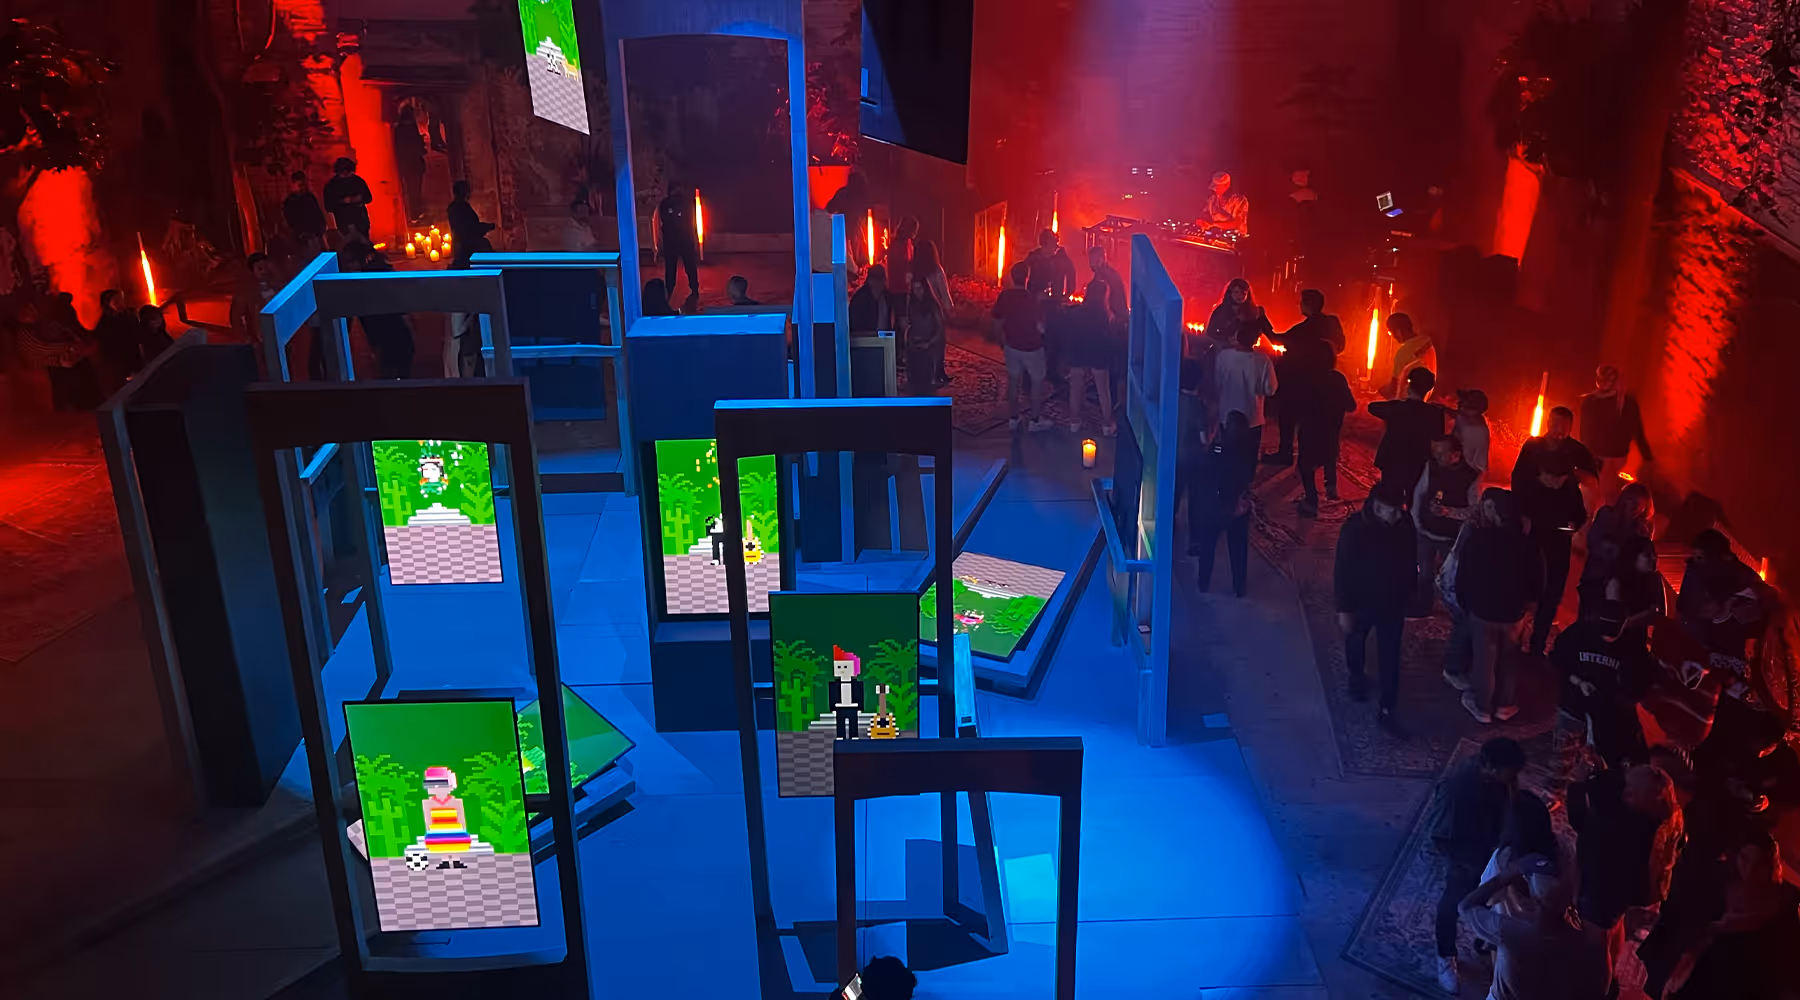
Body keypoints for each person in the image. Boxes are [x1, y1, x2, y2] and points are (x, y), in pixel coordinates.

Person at [1426, 737, 1528, 994]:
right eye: (1510, 772)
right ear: (1491, 767)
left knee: (1493, 897)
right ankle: (1445, 955)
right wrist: (1465, 864)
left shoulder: (1499, 778)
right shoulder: (1457, 791)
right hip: (1465, 855)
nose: (1513, 778)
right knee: (1452, 904)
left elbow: (1509, 799)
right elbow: (1439, 835)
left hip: (1489, 847)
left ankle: (1484, 939)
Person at [1569, 764, 1683, 970]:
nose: (1624, 791)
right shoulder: (1666, 814)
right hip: (1626, 890)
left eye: (1631, 789)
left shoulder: (1628, 828)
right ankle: (1610, 971)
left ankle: (1600, 983)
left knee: (1596, 944)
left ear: (1647, 796)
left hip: (1604, 889)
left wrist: (1578, 785)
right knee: (1613, 926)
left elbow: (1580, 822)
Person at [1456, 856, 1613, 1000]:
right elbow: (1599, 990)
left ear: (1535, 899)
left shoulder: (1512, 934)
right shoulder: (1582, 941)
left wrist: (1508, 873)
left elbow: (1465, 907)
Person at [1668, 834, 1800, 1000]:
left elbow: (1787, 971)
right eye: (1745, 859)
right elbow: (1689, 930)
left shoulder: (1781, 909)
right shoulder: (1720, 885)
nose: (1749, 869)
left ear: (1769, 867)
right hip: (1702, 981)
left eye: (1758, 864)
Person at [1333, 480, 1418, 735]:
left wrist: (1410, 591)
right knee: (1356, 640)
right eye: (1392, 510)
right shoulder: (1355, 529)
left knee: (1390, 654)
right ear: (1377, 507)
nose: (1398, 515)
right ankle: (1356, 677)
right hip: (1361, 602)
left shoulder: (1404, 524)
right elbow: (1342, 570)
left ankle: (1388, 706)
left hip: (1393, 602)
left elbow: (1410, 558)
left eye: (1399, 509)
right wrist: (1344, 609)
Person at [1450, 488, 1539, 722]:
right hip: (1513, 613)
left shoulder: (1480, 539)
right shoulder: (1529, 544)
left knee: (1484, 660)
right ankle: (1505, 705)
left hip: (1483, 610)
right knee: (1510, 658)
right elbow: (1538, 579)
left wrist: (1465, 602)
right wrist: (1529, 607)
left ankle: (1483, 707)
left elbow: (1464, 574)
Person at [1551, 599, 1657, 790]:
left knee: (1606, 757)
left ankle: (1600, 791)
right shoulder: (1578, 634)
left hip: (1608, 711)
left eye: (1613, 633)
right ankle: (1557, 787)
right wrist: (1578, 682)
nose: (1608, 638)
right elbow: (1558, 661)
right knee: (1564, 751)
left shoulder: (1631, 644)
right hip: (1573, 704)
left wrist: (1622, 695)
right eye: (1604, 632)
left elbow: (1642, 679)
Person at [1518, 452, 1590, 656]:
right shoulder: (1531, 488)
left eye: (1557, 478)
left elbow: (1579, 517)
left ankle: (1537, 645)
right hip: (1533, 547)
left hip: (1558, 547)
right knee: (1526, 595)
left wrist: (1568, 528)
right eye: (1547, 477)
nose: (1551, 482)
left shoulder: (1570, 490)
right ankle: (1515, 640)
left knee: (1550, 597)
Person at [1264, 288, 1345, 465]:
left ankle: (1285, 454)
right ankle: (1311, 456)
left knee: (1288, 416)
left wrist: (1262, 321)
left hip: (1298, 380)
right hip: (1322, 379)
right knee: (1312, 420)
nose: (1299, 305)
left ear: (1308, 305)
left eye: (1301, 302)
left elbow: (1277, 339)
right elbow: (1341, 345)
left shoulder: (1306, 328)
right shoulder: (1331, 323)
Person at [1676, 527, 1771, 662]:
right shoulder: (1695, 572)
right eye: (1695, 556)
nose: (1696, 561)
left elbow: (1755, 617)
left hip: (1729, 651)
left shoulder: (1740, 578)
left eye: (1700, 557)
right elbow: (1684, 607)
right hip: (1700, 647)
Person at [1412, 435, 1482, 614]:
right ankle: (1423, 606)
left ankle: (1454, 610)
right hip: (1426, 530)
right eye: (1435, 451)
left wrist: (1449, 512)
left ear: (1455, 454)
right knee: (1424, 574)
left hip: (1450, 537)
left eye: (1441, 452)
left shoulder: (1471, 476)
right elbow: (1419, 493)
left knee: (1449, 578)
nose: (1436, 455)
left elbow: (1474, 510)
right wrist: (1416, 521)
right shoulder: (1431, 466)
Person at [1191, 411, 1257, 597]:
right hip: (1237, 507)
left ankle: (1203, 583)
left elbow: (1206, 474)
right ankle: (1239, 587)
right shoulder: (1247, 454)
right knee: (1238, 549)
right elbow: (1247, 479)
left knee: (1208, 545)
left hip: (1216, 505)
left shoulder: (1219, 451)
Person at [1295, 339, 1355, 516]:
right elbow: (1351, 405)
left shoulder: (1305, 379)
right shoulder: (1338, 379)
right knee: (1329, 456)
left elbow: (1297, 406)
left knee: (1306, 466)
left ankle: (1311, 501)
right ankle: (1331, 488)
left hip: (1310, 430)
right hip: (1331, 430)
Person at [1578, 480, 1655, 614]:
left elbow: (1645, 559)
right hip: (1598, 580)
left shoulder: (1642, 527)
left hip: (1626, 586)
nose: (1634, 508)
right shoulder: (1607, 515)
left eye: (1639, 505)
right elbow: (1595, 543)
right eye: (1631, 502)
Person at [991, 262, 1050, 432]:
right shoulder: (1032, 299)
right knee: (1037, 383)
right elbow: (1041, 328)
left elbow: (997, 321)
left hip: (1012, 345)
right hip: (1032, 348)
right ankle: (1035, 420)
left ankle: (1013, 418)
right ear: (1027, 277)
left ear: (1011, 277)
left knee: (1013, 381)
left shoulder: (1004, 296)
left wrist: (1001, 340)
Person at [1580, 364, 1654, 499]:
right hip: (1614, 457)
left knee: (1597, 493)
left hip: (1602, 457)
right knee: (1603, 493)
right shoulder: (1627, 402)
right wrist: (1648, 458)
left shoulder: (1591, 401)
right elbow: (1638, 432)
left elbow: (1584, 434)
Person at [1368, 367, 1446, 491]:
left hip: (1392, 459)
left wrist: (1399, 401)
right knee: (1412, 493)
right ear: (1428, 389)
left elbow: (1372, 407)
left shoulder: (1397, 407)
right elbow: (1438, 436)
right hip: (1417, 461)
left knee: (1389, 494)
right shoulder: (1435, 413)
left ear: (1408, 387)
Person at [344, 241, 415, 379]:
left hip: (394, 337)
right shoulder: (359, 284)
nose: (347, 266)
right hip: (385, 339)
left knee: (397, 374)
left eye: (350, 261)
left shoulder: (373, 281)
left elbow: (399, 304)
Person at [1065, 278, 1117, 435]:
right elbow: (1109, 338)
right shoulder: (1105, 316)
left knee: (1075, 387)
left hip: (1078, 353)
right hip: (1097, 354)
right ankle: (1107, 424)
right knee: (1103, 390)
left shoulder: (1076, 312)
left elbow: (1070, 334)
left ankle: (1074, 422)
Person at [1212, 315, 1278, 434]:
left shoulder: (1223, 357)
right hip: (1253, 417)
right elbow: (1271, 389)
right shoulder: (1263, 360)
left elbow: (1217, 383)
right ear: (1255, 340)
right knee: (1249, 446)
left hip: (1226, 414)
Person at [1512, 406, 1601, 489]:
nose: (1559, 431)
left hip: (1565, 499)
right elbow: (1517, 477)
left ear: (1570, 428)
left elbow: (1593, 482)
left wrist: (1572, 474)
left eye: (1564, 428)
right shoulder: (1532, 446)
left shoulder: (1577, 450)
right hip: (1535, 497)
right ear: (1548, 424)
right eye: (1555, 426)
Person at [913, 240, 952, 385]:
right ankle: (938, 372)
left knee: (923, 340)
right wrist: (948, 309)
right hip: (935, 309)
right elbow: (943, 291)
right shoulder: (936, 270)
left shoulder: (915, 270)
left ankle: (923, 371)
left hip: (919, 311)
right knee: (938, 341)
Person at [657, 181, 701, 299]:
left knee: (672, 268)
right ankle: (693, 289)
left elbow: (665, 219)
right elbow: (690, 220)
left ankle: (670, 291)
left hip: (673, 240)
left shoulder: (666, 203)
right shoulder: (685, 202)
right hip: (684, 239)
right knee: (688, 266)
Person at [903, 274, 945, 397]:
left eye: (919, 289)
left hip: (929, 346)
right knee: (914, 381)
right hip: (914, 345)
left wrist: (930, 343)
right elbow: (910, 324)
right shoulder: (912, 304)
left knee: (926, 383)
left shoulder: (933, 305)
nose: (917, 292)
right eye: (914, 289)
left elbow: (940, 328)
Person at [93, 289, 141, 392]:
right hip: (120, 365)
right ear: (108, 304)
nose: (120, 304)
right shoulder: (105, 324)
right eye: (116, 301)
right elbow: (107, 348)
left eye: (121, 300)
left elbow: (137, 335)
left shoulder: (129, 315)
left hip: (135, 356)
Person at [1381, 313, 1435, 398]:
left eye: (1390, 333)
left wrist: (1379, 392)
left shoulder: (1403, 353)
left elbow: (1394, 388)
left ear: (1398, 332)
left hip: (1413, 401)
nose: (1392, 336)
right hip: (1429, 395)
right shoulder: (1427, 341)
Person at [447, 180, 494, 268]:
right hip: (467, 245)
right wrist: (487, 227)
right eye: (466, 190)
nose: (469, 193)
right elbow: (470, 229)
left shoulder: (454, 207)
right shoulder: (462, 208)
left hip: (461, 244)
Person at [322, 157, 372, 238]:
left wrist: (360, 198)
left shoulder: (357, 181)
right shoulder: (332, 185)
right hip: (344, 222)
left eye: (348, 172)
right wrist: (343, 201)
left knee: (363, 242)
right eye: (344, 172)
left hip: (360, 221)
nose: (346, 175)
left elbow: (368, 198)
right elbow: (328, 206)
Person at [1024, 229, 1077, 299]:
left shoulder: (1060, 259)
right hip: (1035, 299)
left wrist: (1067, 294)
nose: (1055, 244)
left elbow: (1071, 273)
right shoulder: (1034, 257)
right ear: (1045, 242)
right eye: (1052, 241)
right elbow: (1022, 273)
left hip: (1055, 300)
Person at [850, 264, 903, 334]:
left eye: (881, 280)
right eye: (875, 280)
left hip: (884, 339)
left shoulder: (888, 298)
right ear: (870, 281)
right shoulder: (859, 300)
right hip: (865, 339)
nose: (878, 284)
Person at [281, 171, 328, 242]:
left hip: (314, 234)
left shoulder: (309, 197)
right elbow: (289, 220)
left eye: (303, 184)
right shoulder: (290, 201)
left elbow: (317, 215)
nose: (303, 187)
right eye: (300, 185)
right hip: (300, 236)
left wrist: (321, 229)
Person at [1453, 388, 1492, 474]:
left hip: (1464, 474)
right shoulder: (1465, 418)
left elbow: (1480, 468)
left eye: (1463, 402)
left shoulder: (1477, 431)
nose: (1458, 403)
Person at [1087, 244, 1127, 326]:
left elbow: (1104, 298)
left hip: (1112, 319)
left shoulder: (1104, 276)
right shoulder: (1107, 273)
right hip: (1116, 317)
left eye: (1091, 260)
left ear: (1100, 259)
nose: (1090, 263)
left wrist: (1110, 314)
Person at [1201, 170, 1249, 236]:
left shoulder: (1239, 200)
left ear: (1227, 185)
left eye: (1218, 186)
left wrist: (1213, 224)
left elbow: (1236, 223)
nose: (1215, 189)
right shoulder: (1212, 199)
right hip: (1217, 235)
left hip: (1235, 237)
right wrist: (1203, 221)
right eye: (1214, 187)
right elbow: (1205, 213)